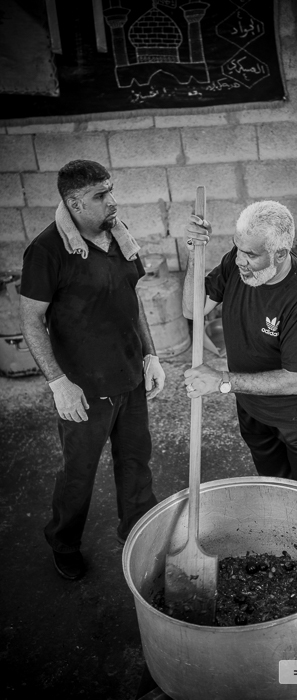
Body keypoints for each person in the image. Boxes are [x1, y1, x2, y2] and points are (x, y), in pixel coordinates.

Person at [19, 160, 165, 581]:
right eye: (101, 195)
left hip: (129, 376)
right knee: (78, 474)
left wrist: (151, 356)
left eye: (111, 190)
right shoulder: (47, 250)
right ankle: (64, 543)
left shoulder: (118, 235)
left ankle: (137, 531)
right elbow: (31, 320)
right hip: (83, 388)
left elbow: (131, 299)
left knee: (136, 463)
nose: (112, 201)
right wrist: (58, 383)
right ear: (75, 203)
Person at [182, 200, 297, 504]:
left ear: (280, 253)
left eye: (252, 255)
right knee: (277, 492)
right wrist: (194, 253)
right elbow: (193, 309)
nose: (240, 260)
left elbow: (294, 381)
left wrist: (222, 381)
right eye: (238, 248)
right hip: (252, 407)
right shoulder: (237, 263)